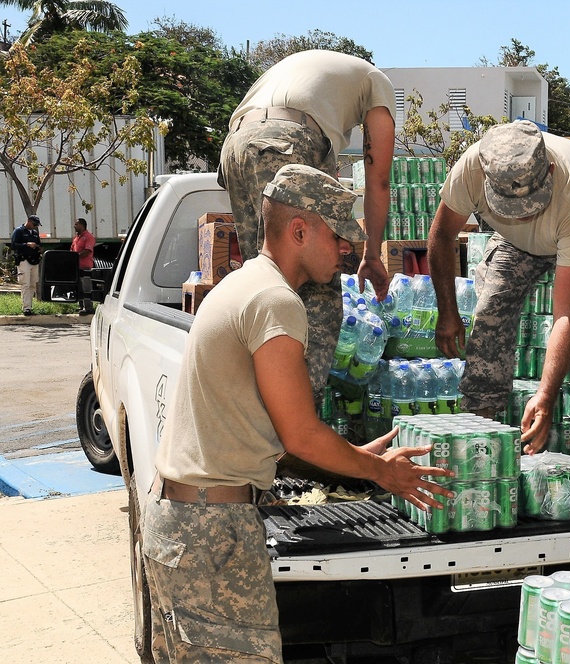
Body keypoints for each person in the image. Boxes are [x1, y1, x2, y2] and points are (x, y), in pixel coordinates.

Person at [143, 164, 453, 663]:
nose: (347, 249)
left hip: (183, 522)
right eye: (338, 235)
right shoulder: (275, 301)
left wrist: (350, 456)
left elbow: (270, 430)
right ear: (300, 230)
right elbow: (301, 434)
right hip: (212, 533)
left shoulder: (245, 283)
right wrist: (382, 472)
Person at [428, 120, 570, 458]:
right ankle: (479, 416)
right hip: (514, 242)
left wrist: (545, 396)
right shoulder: (470, 168)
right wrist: (447, 312)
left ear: (549, 170)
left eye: (529, 206)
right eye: (510, 206)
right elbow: (442, 237)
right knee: (490, 309)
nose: (523, 216)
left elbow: (568, 312)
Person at [218, 49, 396, 400]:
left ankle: (251, 402)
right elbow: (378, 181)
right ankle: (299, 424)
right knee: (317, 288)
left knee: (265, 279)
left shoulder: (315, 71)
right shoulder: (378, 84)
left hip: (235, 147)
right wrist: (372, 254)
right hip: (286, 141)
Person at [10, 214, 42, 316]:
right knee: (25, 284)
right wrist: (27, 244)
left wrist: (39, 248)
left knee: (33, 284)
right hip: (24, 260)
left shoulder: (35, 233)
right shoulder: (19, 231)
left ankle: (30, 305)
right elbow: (14, 245)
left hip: (34, 261)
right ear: (28, 221)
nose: (35, 226)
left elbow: (39, 244)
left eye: (36, 225)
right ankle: (26, 308)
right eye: (34, 224)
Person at [71, 217, 95, 314]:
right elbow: (72, 250)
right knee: (79, 287)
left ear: (82, 225)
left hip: (85, 267)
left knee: (86, 287)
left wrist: (75, 257)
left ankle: (88, 307)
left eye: (76, 224)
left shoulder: (89, 237)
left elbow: (87, 251)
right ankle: (81, 306)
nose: (74, 226)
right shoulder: (76, 238)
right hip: (77, 267)